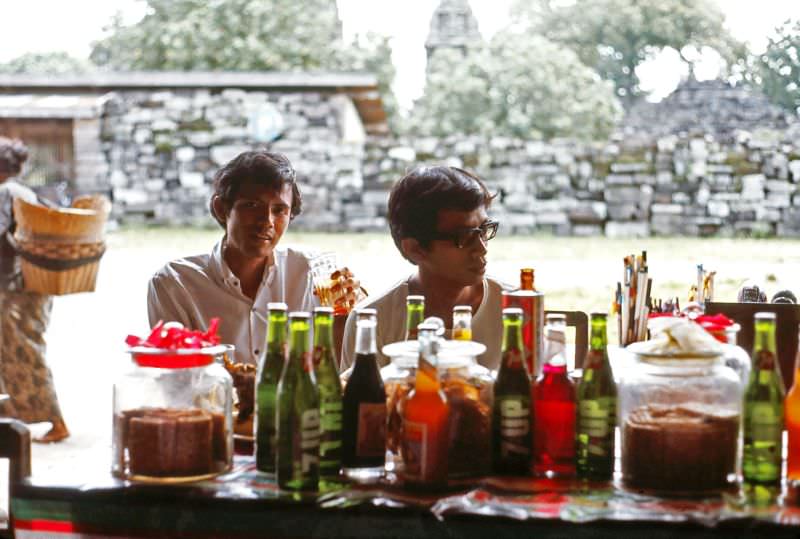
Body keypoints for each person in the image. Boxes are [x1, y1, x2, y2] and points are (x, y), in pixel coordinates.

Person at [148, 150, 362, 365]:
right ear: (221, 208)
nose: (266, 221)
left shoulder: (313, 275)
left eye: (279, 210)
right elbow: (175, 379)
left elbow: (340, 370)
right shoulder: (175, 284)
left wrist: (348, 320)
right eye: (252, 205)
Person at [340, 166, 512, 370]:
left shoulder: (514, 308)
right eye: (464, 237)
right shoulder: (372, 321)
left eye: (484, 230)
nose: (481, 249)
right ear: (415, 249)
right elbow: (359, 400)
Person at [0, 136, 69, 442]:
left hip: (16, 290)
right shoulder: (23, 191)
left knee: (24, 352)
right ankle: (13, 411)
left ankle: (57, 421)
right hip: (30, 286)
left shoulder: (5, 193)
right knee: (17, 351)